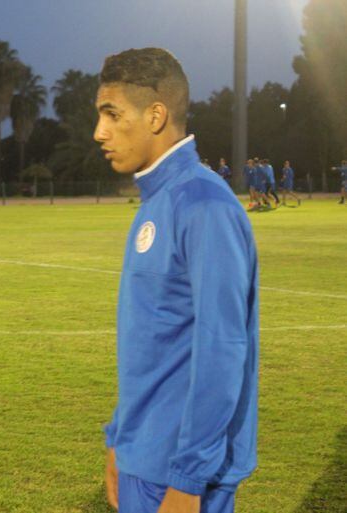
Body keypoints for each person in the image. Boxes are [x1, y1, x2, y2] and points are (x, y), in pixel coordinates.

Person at [94, 48, 258, 513]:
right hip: (143, 460)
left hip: (178, 475)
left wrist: (188, 480)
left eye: (112, 114)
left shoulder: (205, 206)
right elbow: (153, 347)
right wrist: (119, 440)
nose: (99, 132)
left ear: (156, 116)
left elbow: (222, 351)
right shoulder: (158, 200)